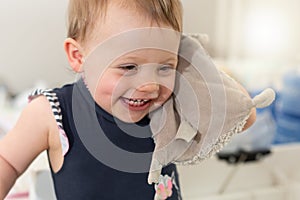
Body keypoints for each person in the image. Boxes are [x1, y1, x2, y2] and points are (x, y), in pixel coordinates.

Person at [0, 0, 256, 199]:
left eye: (164, 66)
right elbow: (7, 161)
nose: (149, 85)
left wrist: (196, 64)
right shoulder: (52, 113)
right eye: (129, 67)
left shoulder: (170, 104)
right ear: (79, 56)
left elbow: (245, 116)